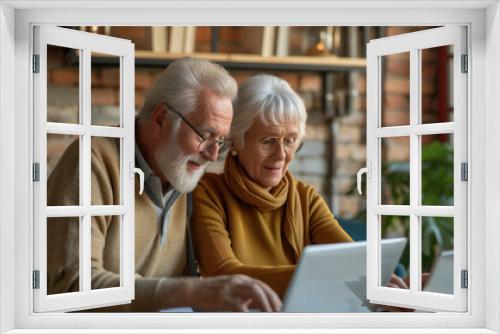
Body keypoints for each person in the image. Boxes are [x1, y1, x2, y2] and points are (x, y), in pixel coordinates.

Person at [46, 58, 281, 312]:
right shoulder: (92, 160)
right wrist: (189, 292)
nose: (213, 154)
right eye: (205, 135)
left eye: (221, 141)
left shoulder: (183, 175)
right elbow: (72, 285)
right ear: (160, 120)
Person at [191, 74, 408, 299]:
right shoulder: (207, 193)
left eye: (290, 141)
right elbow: (224, 274)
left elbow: (351, 261)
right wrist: (327, 277)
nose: (281, 155)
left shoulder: (305, 197)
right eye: (268, 141)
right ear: (236, 140)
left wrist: (391, 285)